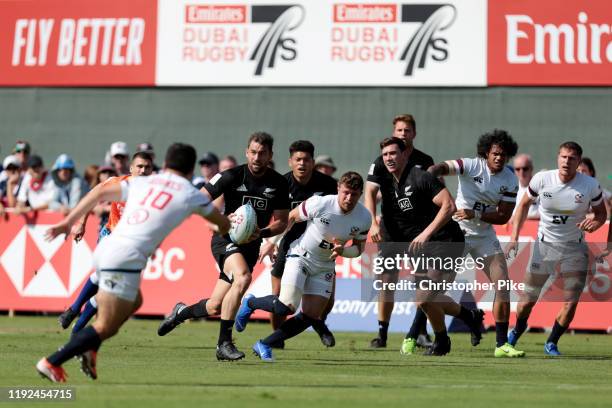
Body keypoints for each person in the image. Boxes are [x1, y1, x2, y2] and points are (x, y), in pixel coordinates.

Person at [37, 143, 230, 383]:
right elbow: (221, 224)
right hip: (125, 258)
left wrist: (69, 222)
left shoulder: (143, 181)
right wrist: (235, 225)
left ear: (166, 164)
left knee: (135, 301)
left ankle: (88, 346)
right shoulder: (190, 192)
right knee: (106, 326)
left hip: (107, 247)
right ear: (191, 170)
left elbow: (98, 191)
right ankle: (52, 361)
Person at [157, 132, 289, 361]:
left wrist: (264, 232)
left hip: (251, 245)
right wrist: (216, 220)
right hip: (225, 239)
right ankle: (223, 344)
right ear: (247, 152)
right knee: (243, 278)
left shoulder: (278, 183)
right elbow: (198, 199)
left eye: (262, 153)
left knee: (215, 306)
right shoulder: (231, 176)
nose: (257, 157)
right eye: (254, 152)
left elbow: (282, 221)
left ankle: (180, 313)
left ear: (270, 155)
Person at [237, 172, 372, 361]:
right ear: (338, 189)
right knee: (287, 307)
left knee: (310, 315)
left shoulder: (364, 217)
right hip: (300, 256)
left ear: (360, 194)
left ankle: (264, 344)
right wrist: (272, 241)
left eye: (354, 194)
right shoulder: (321, 203)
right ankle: (250, 302)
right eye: (346, 192)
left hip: (325, 266)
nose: (349, 198)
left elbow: (358, 249)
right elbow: (290, 217)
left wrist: (343, 252)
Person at [376, 137, 483, 356]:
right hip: (425, 246)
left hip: (446, 241)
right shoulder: (390, 183)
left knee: (424, 297)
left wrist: (426, 233)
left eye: (393, 153)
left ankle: (443, 340)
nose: (389, 158)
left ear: (405, 155)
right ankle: (467, 318)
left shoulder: (421, 177)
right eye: (385, 154)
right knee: (427, 300)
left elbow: (449, 205)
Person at [429, 129, 525, 358]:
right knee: (433, 292)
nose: (499, 158)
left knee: (502, 286)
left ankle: (502, 345)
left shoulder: (510, 179)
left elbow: (503, 216)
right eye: (495, 153)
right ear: (486, 153)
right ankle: (458, 322)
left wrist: (476, 215)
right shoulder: (471, 165)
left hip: (484, 237)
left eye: (503, 154)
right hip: (457, 234)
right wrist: (430, 174)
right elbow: (444, 166)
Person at [506, 142, 606, 356]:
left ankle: (551, 342)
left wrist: (596, 223)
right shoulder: (543, 179)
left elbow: (601, 214)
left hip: (575, 249)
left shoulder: (590, 185)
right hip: (544, 247)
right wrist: (514, 237)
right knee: (527, 300)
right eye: (563, 157)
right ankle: (517, 329)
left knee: (571, 302)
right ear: (557, 158)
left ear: (579, 161)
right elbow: (523, 205)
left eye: (571, 158)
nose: (566, 161)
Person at [57, 152, 154, 336]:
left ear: (152, 170)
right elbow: (93, 195)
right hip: (111, 236)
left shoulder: (155, 193)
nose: (143, 170)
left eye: (147, 167)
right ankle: (76, 317)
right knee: (105, 278)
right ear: (131, 168)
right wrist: (81, 223)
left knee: (108, 289)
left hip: (133, 246)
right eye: (139, 166)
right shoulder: (118, 183)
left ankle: (75, 316)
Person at [256, 140, 338, 348]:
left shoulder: (328, 185)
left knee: (328, 301)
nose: (302, 164)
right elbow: (278, 220)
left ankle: (319, 323)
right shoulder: (281, 184)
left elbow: (339, 214)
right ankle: (276, 338)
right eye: (298, 160)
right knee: (279, 300)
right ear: (290, 162)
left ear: (313, 162)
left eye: (306, 160)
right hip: (288, 246)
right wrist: (270, 242)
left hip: (320, 248)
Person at [366, 114, 434, 349]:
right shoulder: (381, 160)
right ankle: (382, 334)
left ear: (414, 134)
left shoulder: (425, 160)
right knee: (387, 282)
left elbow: (433, 192)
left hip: (418, 231)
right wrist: (373, 223)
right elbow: (370, 192)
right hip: (391, 231)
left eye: (407, 131)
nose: (402, 134)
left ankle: (421, 331)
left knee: (422, 282)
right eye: (399, 131)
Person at [511, 154, 539, 221]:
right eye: (517, 169)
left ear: (531, 169)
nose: (521, 172)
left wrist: (524, 218)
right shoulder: (510, 189)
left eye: (525, 169)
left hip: (537, 227)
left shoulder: (540, 187)